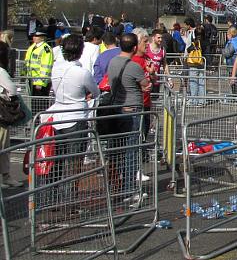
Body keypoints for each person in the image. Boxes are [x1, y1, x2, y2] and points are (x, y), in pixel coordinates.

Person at [47, 35, 101, 188]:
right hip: (76, 117)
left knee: (57, 159)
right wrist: (86, 94)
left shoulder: (56, 69)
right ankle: (69, 200)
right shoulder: (82, 73)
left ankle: (53, 196)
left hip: (58, 117)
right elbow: (95, 92)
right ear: (80, 51)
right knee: (74, 162)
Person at [105, 33, 149, 200]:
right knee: (131, 151)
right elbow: (145, 85)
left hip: (117, 109)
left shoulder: (113, 61)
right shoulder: (133, 67)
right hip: (132, 111)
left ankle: (118, 186)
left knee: (117, 150)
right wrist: (148, 78)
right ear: (134, 48)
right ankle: (129, 189)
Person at [0, 42, 24, 188]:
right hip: (2, 114)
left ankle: (6, 176)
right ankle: (5, 176)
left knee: (4, 145)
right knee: (3, 145)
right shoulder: (1, 72)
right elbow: (12, 90)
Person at [24, 30, 53, 113]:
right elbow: (27, 62)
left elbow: (46, 66)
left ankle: (40, 123)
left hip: (40, 82)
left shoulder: (46, 49)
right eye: (34, 36)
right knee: (34, 104)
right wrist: (24, 75)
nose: (34, 38)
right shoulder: (32, 47)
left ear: (42, 38)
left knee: (40, 105)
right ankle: (35, 122)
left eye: (36, 36)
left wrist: (40, 82)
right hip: (31, 79)